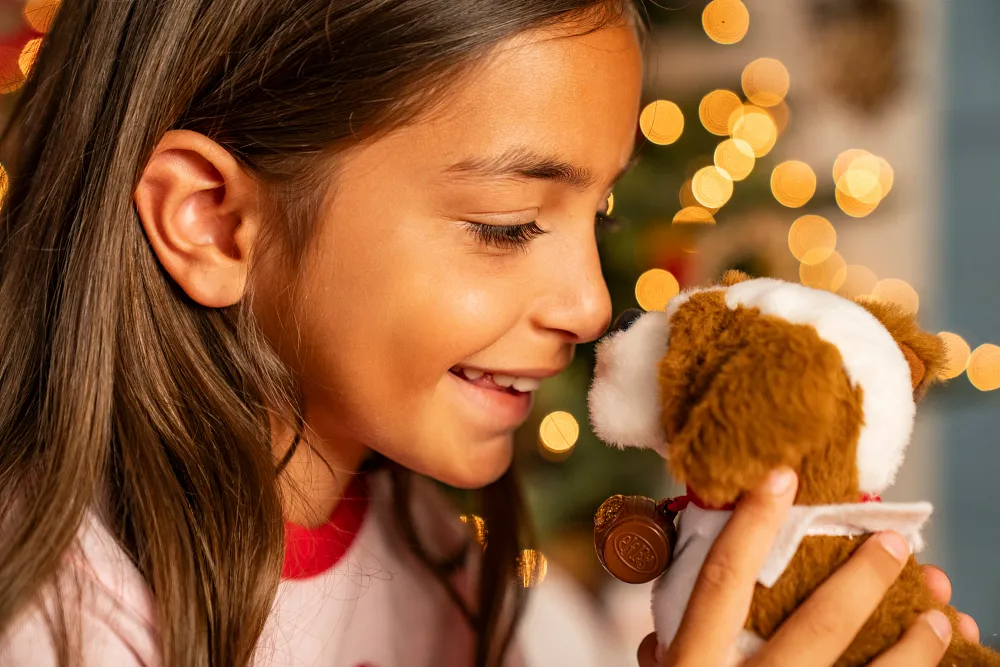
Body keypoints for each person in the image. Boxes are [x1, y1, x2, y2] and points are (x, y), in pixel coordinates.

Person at [0, 1, 980, 666]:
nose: (591, 307)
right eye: (507, 225)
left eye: (597, 216)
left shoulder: (432, 549)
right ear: (213, 221)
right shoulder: (52, 619)